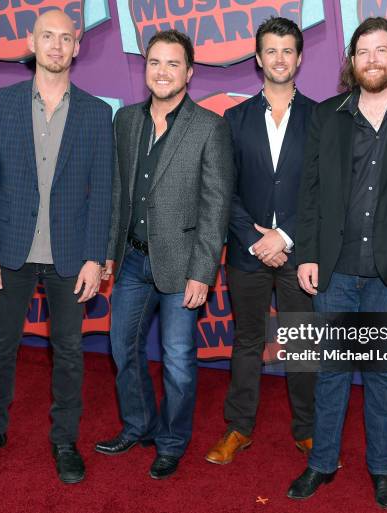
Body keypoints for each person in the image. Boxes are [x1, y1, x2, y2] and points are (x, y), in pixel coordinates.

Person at [290, 16, 387, 509]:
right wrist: (308, 254)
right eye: (363, 52)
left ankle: (382, 469)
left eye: (382, 50)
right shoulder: (329, 114)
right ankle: (322, 464)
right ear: (352, 62)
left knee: (381, 374)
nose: (373, 60)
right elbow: (311, 192)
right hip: (335, 268)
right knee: (333, 369)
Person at [0, 10, 113, 484]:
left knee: (69, 351)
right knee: (1, 347)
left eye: (64, 38)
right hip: (8, 250)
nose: (55, 46)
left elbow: (103, 191)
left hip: (70, 255)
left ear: (77, 46)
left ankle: (64, 439)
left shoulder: (96, 112)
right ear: (32, 42)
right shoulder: (2, 103)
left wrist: (95, 256)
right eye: (47, 37)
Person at [95, 30, 234, 479]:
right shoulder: (126, 121)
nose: (162, 71)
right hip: (132, 260)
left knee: (177, 360)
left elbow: (216, 207)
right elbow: (119, 192)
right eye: (155, 62)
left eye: (173, 64)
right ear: (145, 67)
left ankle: (172, 441)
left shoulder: (209, 127)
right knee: (123, 348)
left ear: (189, 73)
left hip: (182, 264)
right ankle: (139, 424)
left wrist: (203, 273)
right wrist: (110, 252)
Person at [205, 17, 317, 465]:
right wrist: (256, 240)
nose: (279, 58)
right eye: (271, 50)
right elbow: (222, 189)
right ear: (258, 59)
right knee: (247, 341)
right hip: (248, 253)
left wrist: (284, 236)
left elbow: (321, 189)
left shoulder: (321, 117)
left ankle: (309, 431)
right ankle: (238, 428)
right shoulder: (233, 119)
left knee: (304, 342)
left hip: (300, 252)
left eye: (287, 50)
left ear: (300, 58)